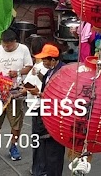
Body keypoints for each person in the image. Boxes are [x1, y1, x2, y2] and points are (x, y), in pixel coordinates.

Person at [0, 27, 33, 164]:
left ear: (14, 42)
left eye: (8, 46)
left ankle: (13, 146)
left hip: (15, 93)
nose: (6, 48)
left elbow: (29, 66)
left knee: (16, 124)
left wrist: (18, 72)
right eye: (4, 45)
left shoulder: (23, 49)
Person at [23, 44, 65, 176]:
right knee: (43, 145)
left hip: (55, 117)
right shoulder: (50, 70)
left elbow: (58, 96)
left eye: (45, 60)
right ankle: (42, 169)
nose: (43, 62)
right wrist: (40, 75)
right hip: (45, 112)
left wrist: (39, 93)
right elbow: (48, 82)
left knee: (53, 152)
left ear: (53, 60)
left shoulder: (61, 73)